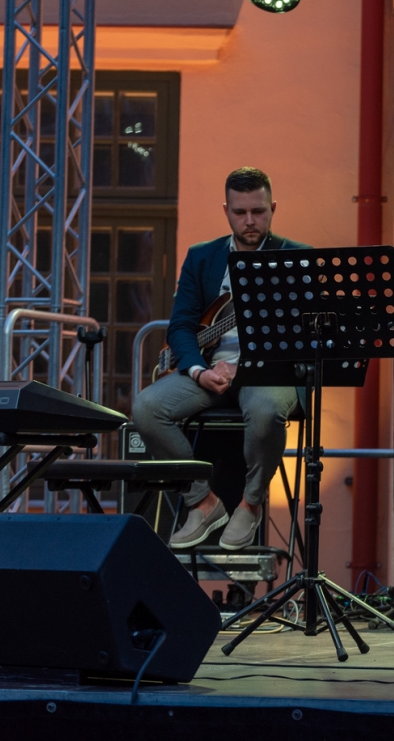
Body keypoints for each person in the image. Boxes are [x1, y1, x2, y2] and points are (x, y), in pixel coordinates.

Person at [133, 167, 307, 550]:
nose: (250, 221)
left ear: (273, 208)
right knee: (146, 408)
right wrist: (198, 370)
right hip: (210, 370)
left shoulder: (296, 258)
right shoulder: (203, 257)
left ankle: (251, 503)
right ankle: (202, 501)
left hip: (268, 373)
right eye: (240, 212)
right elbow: (181, 325)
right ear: (226, 210)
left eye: (258, 211)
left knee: (265, 410)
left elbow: (298, 336)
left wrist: (240, 369)